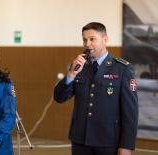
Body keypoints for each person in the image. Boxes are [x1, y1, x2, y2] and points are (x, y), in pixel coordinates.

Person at [54, 22, 138, 155]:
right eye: (84, 39)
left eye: (92, 39)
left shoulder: (122, 69)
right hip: (80, 139)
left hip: (108, 141)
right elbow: (59, 97)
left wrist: (126, 146)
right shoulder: (78, 67)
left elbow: (130, 112)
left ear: (105, 40)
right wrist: (71, 74)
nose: (87, 44)